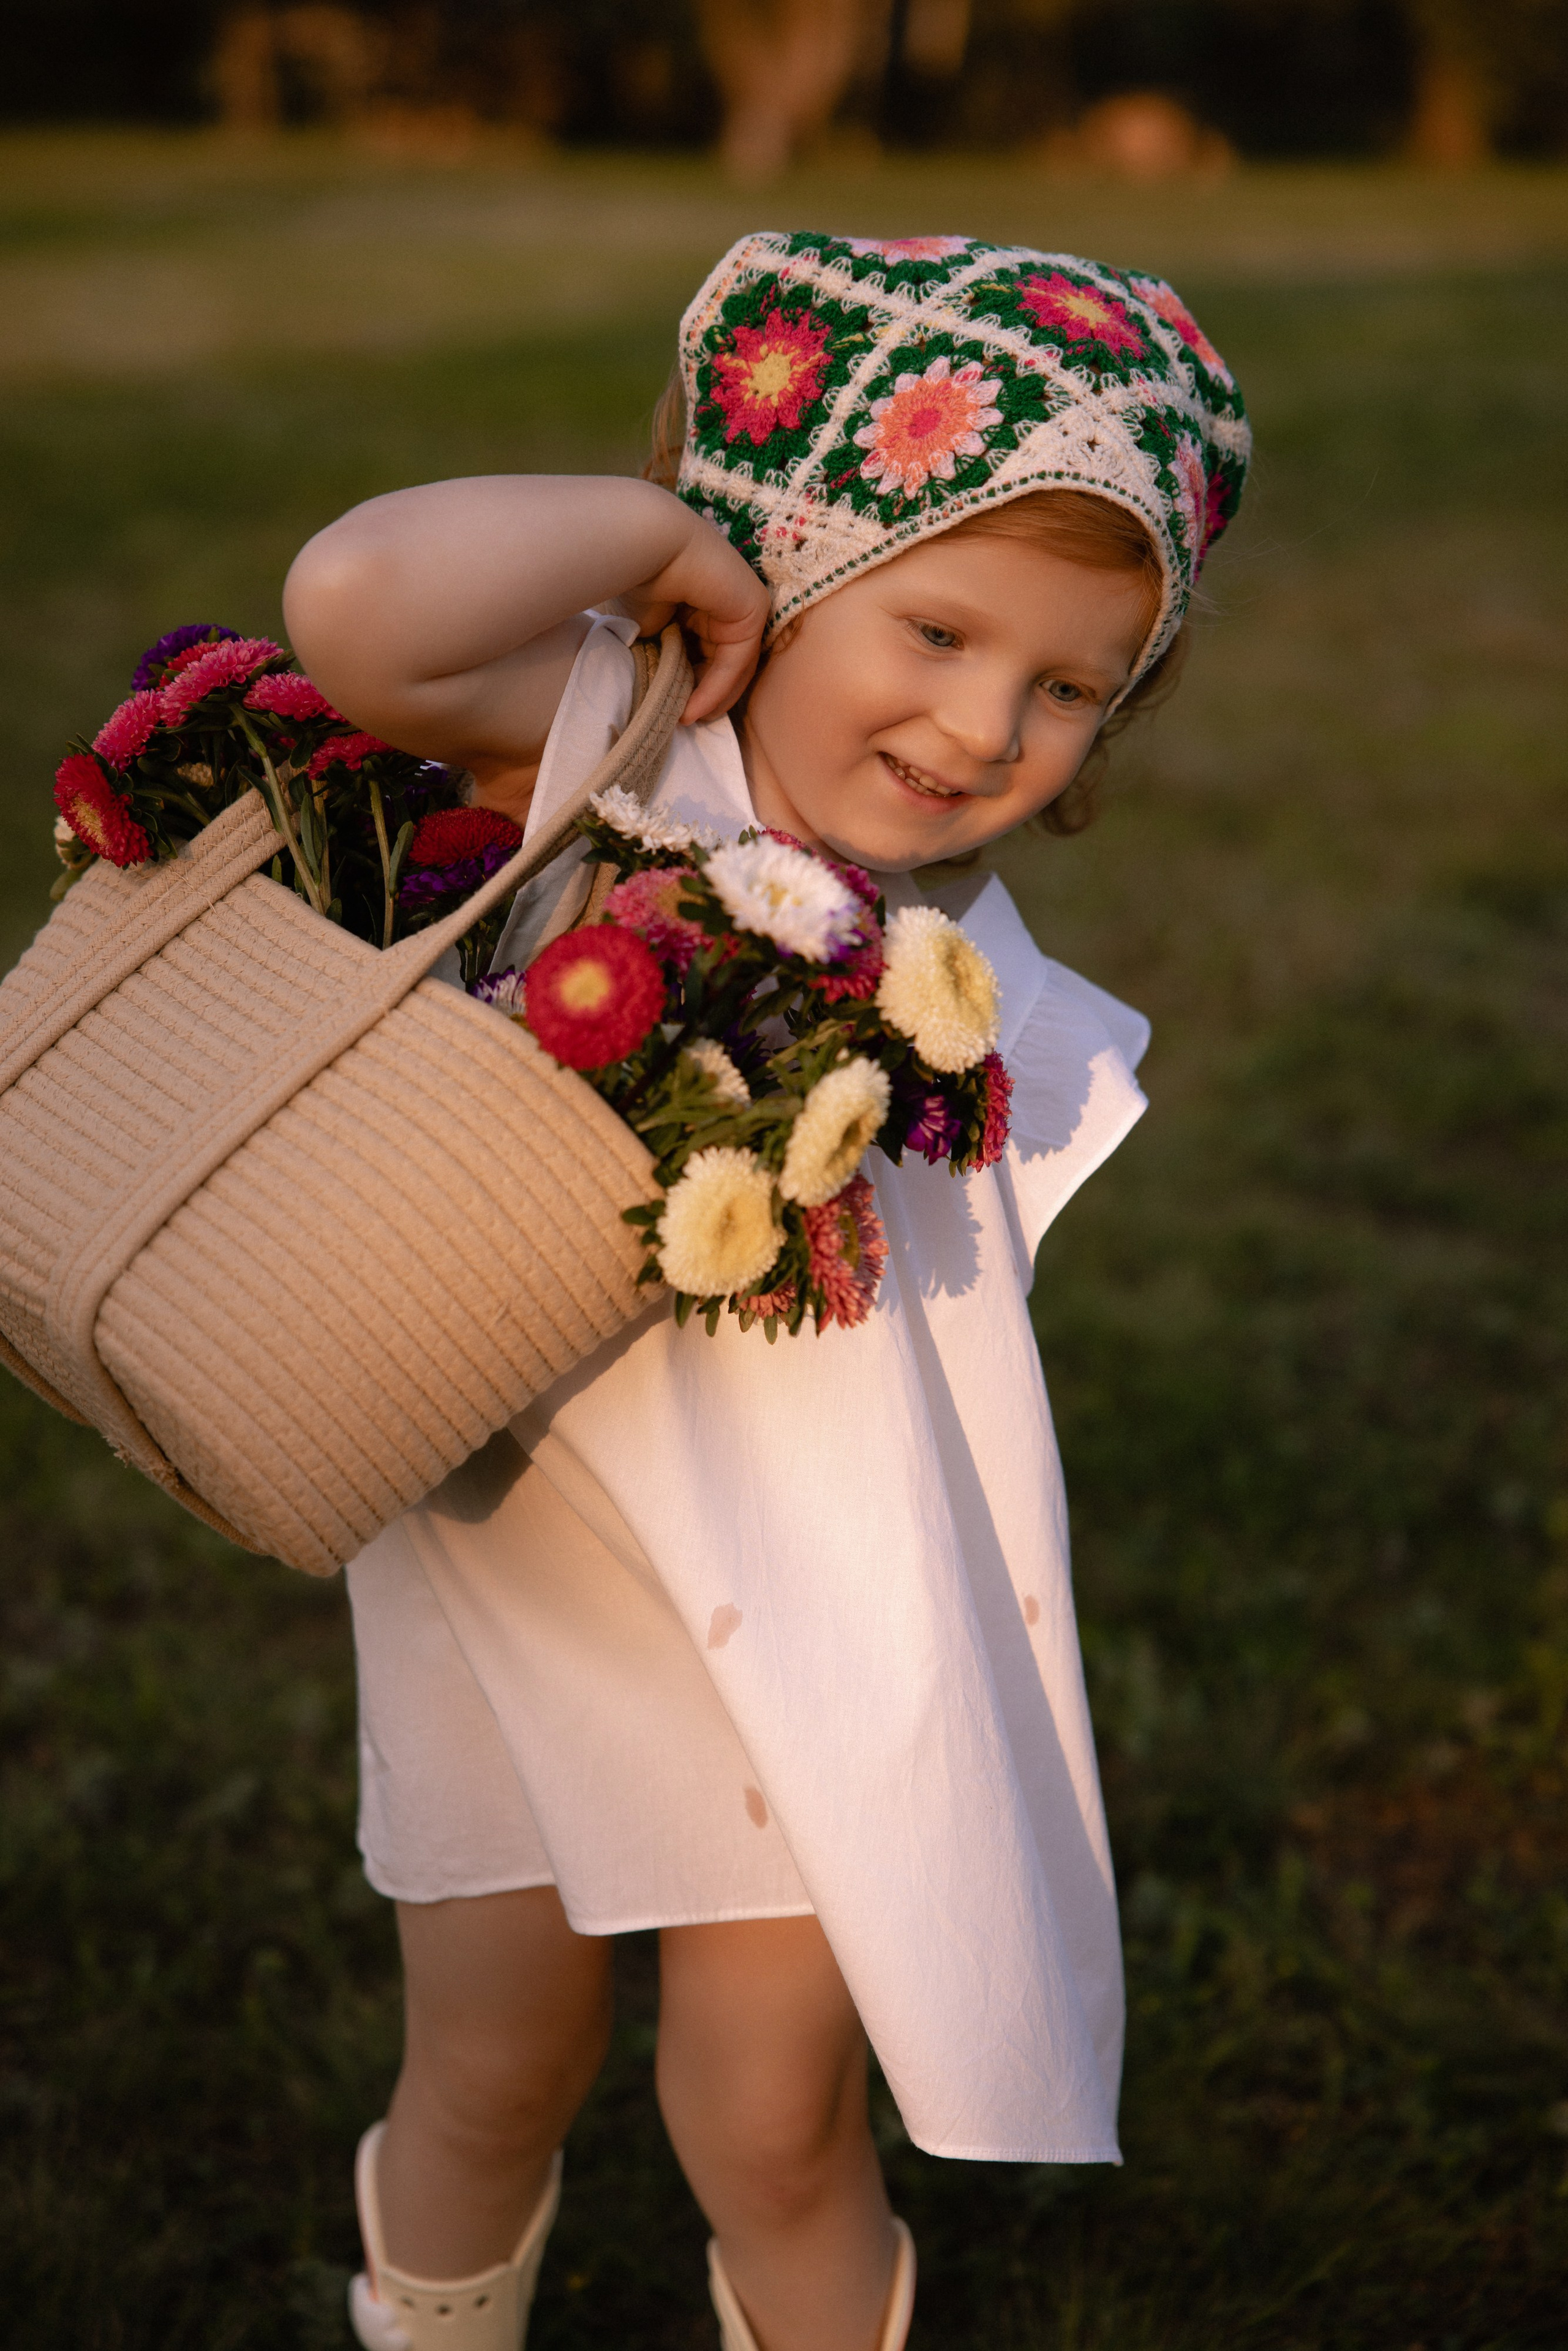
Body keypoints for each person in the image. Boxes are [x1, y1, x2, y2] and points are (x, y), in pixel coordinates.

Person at [284, 230, 1250, 2351]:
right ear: (785, 565)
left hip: (811, 1630)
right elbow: (354, 610)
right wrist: (661, 537)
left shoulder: (942, 969)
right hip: (515, 1584)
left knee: (776, 2122)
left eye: (1071, 682)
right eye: (934, 625)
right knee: (493, 2066)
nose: (985, 721)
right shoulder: (610, 770)